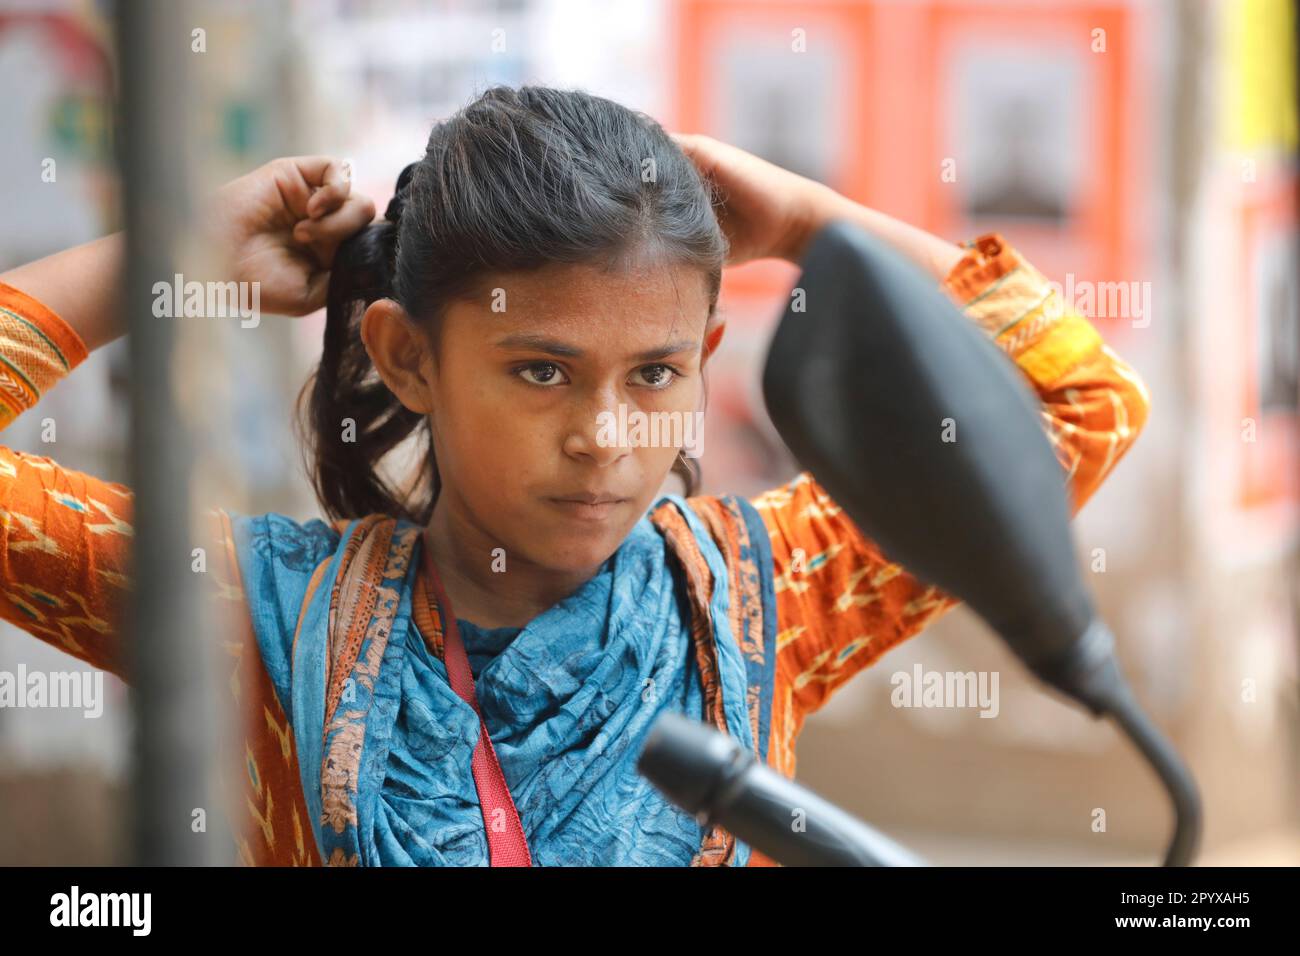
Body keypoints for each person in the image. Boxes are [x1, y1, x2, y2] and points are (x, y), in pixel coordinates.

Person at [0, 85, 1149, 866]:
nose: (605, 435)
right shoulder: (259, 611)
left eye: (653, 372)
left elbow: (1082, 402)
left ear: (702, 360)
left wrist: (810, 221)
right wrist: (169, 261)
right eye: (541, 371)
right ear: (407, 356)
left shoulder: (768, 594)